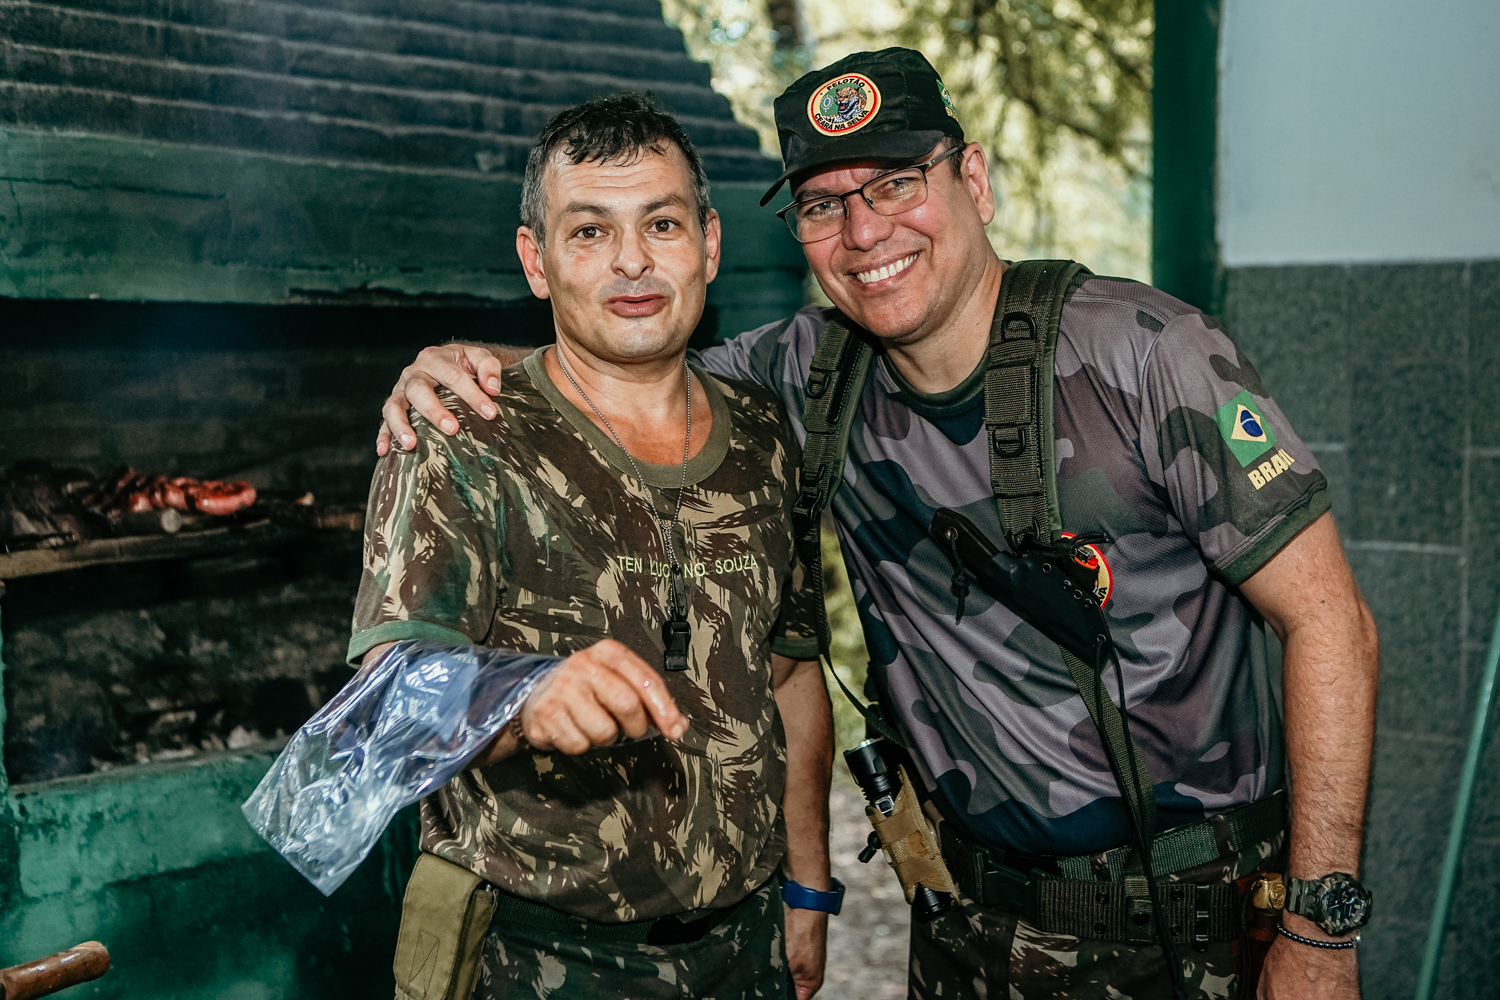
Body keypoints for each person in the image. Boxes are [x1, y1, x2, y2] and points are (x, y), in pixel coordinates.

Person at [373, 49, 1379, 1000]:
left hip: (1180, 932)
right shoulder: (808, 376)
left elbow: (1333, 623)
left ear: (973, 181)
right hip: (962, 928)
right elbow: (626, 358)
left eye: (897, 183)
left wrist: (1322, 929)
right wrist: (455, 367)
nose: (865, 231)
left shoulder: (1146, 354)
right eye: (824, 205)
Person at [350, 93, 837, 1000]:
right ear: (536, 261)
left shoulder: (767, 436)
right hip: (538, 956)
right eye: (588, 231)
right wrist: (519, 696)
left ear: (709, 245)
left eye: (662, 223)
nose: (631, 260)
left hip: (746, 946)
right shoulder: (461, 432)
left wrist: (808, 884)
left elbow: (789, 673)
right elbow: (387, 706)